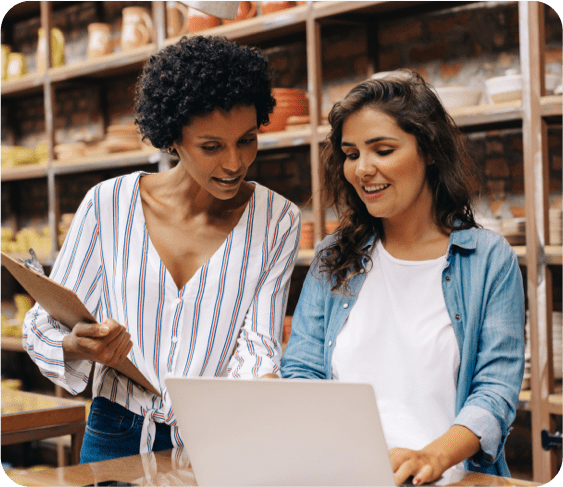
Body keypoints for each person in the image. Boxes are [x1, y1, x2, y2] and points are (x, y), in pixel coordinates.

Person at [22, 35, 301, 463]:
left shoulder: (277, 219)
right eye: (211, 146)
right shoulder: (108, 204)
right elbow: (44, 323)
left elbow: (258, 345)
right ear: (172, 138)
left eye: (247, 139)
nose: (234, 163)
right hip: (115, 432)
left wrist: (268, 399)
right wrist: (80, 346)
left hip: (217, 439)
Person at [281, 70, 525, 485]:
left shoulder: (486, 259)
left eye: (383, 149)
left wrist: (433, 457)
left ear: (428, 150)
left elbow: (495, 390)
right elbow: (301, 371)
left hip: (445, 478)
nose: (362, 169)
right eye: (351, 153)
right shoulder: (334, 256)